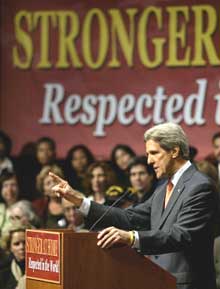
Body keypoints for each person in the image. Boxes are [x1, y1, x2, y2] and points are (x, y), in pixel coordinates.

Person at [49, 123, 218, 289]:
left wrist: (131, 238)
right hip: (160, 280)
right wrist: (79, 200)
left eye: (154, 153)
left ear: (174, 151)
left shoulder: (200, 186)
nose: (149, 161)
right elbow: (129, 217)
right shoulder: (163, 188)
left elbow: (181, 235)